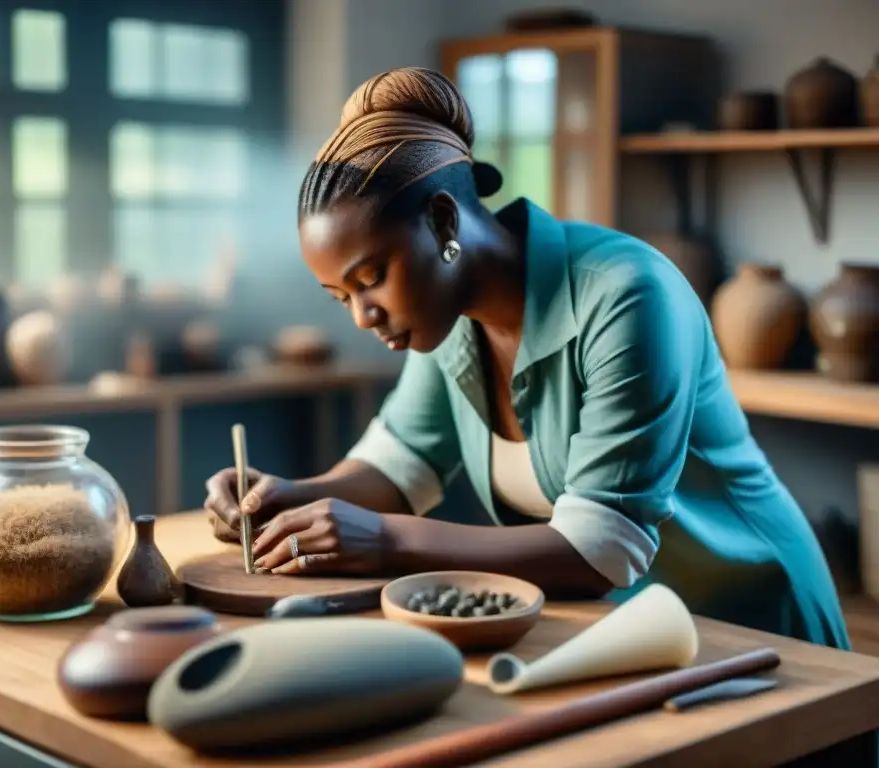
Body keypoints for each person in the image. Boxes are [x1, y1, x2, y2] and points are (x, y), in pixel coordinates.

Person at [204, 67, 849, 649]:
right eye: (340, 295)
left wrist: (385, 540)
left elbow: (601, 550)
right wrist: (287, 499)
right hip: (632, 629)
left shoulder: (626, 296)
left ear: (443, 223)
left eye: (371, 277)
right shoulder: (447, 318)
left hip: (754, 622)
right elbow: (399, 467)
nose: (361, 315)